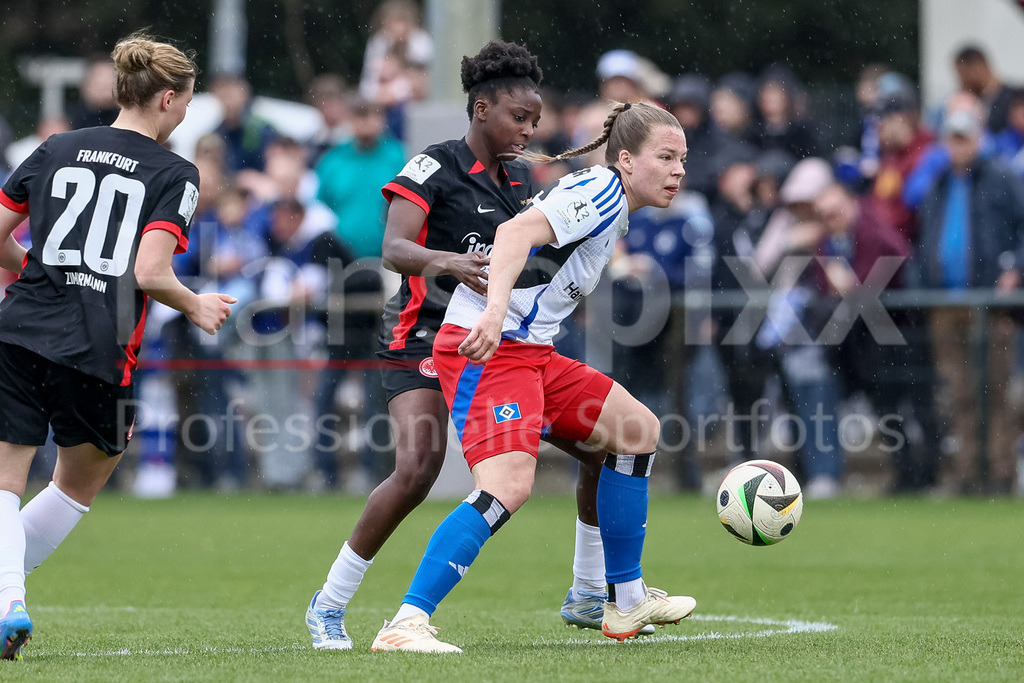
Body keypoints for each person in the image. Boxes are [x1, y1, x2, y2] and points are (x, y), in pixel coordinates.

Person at [304, 41, 626, 651]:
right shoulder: (435, 166)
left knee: (601, 449)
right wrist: (447, 260)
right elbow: (395, 248)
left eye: (535, 121)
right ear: (480, 109)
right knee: (419, 467)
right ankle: (330, 603)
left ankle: (587, 592)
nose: (528, 131)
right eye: (517, 118)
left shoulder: (523, 182)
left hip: (497, 344)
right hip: (423, 337)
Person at [369, 101, 697, 654]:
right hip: (488, 347)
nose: (679, 170)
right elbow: (515, 234)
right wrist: (495, 313)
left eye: (683, 159)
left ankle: (619, 599)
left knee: (636, 430)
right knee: (508, 487)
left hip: (531, 351)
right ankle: (405, 623)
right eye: (665, 157)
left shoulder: (610, 201)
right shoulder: (602, 191)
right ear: (625, 160)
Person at [0, 32, 235, 660]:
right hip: (97, 345)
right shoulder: (174, 173)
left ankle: (4, 598)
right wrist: (197, 303)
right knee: (80, 481)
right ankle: (6, 600)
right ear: (165, 98)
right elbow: (151, 272)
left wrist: (31, 267)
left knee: (6, 474)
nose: (186, 112)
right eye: (186, 101)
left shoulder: (57, 147)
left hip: (19, 327)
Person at [914, 108, 1024, 495]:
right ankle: (965, 475)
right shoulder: (939, 183)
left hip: (989, 303)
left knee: (993, 391)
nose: (957, 146)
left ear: (977, 139)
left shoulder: (1000, 178)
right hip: (946, 302)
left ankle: (998, 475)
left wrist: (1015, 269)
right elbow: (925, 237)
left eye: (964, 138)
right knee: (958, 395)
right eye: (951, 138)